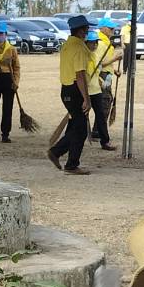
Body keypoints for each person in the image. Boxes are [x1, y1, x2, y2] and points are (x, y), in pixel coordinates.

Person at [48, 13, 93, 176]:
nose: (88, 31)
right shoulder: (79, 47)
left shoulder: (67, 44)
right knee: (80, 129)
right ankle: (58, 153)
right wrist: (86, 99)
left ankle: (70, 162)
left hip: (66, 89)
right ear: (81, 30)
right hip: (75, 89)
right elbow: (80, 74)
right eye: (87, 28)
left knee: (75, 126)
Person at [88, 18, 119, 151]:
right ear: (103, 29)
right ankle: (98, 132)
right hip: (101, 77)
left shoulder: (106, 42)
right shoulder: (100, 43)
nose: (113, 31)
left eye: (113, 29)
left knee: (103, 105)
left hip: (107, 75)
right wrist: (115, 58)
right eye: (110, 28)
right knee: (104, 104)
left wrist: (114, 69)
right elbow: (99, 64)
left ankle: (97, 131)